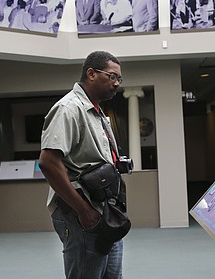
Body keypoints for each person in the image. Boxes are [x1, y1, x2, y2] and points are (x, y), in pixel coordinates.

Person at [38, 51, 126, 279]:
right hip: (81, 214)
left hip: (104, 210)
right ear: (91, 74)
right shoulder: (69, 109)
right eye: (112, 76)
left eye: (119, 79)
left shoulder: (95, 110)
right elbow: (48, 162)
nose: (117, 83)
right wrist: (83, 210)